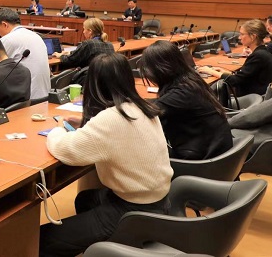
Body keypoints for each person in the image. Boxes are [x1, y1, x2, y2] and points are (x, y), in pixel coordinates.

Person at [40, 53, 172, 256]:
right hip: (160, 201)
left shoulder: (112, 119)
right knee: (85, 199)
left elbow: (65, 149)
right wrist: (84, 124)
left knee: (43, 240)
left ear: (93, 84)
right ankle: (101, 246)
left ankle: (112, 242)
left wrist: (58, 129)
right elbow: (113, 136)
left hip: (134, 211)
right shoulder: (142, 107)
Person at [140, 41, 232, 160]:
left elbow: (147, 112)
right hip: (216, 150)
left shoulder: (181, 93)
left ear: (159, 70)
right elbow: (161, 103)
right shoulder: (191, 80)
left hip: (203, 161)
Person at [198, 19, 272, 97]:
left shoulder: (259, 56)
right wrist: (224, 72)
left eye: (242, 34)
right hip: (253, 95)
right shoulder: (262, 52)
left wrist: (211, 71)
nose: (239, 37)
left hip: (249, 99)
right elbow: (244, 76)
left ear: (253, 36)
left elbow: (235, 81)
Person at [0, 8, 51, 99]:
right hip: (45, 96)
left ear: (4, 24)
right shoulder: (36, 36)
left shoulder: (8, 39)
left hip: (27, 99)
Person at [54, 18, 114, 84]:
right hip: (106, 81)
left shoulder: (88, 43)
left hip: (90, 81)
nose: (83, 32)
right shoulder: (109, 44)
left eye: (84, 29)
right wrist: (70, 53)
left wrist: (61, 56)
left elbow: (70, 60)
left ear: (90, 31)